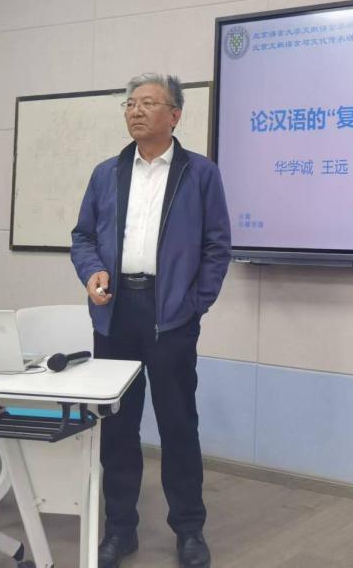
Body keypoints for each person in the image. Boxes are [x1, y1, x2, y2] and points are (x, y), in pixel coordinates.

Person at [71, 73, 231, 568]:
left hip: (171, 316)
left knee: (178, 424)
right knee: (118, 428)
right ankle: (120, 529)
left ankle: (189, 530)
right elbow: (83, 236)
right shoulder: (106, 173)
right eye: (130, 104)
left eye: (147, 103)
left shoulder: (199, 174)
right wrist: (92, 271)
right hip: (115, 313)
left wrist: (194, 303)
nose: (135, 111)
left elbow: (217, 246)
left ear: (175, 115)